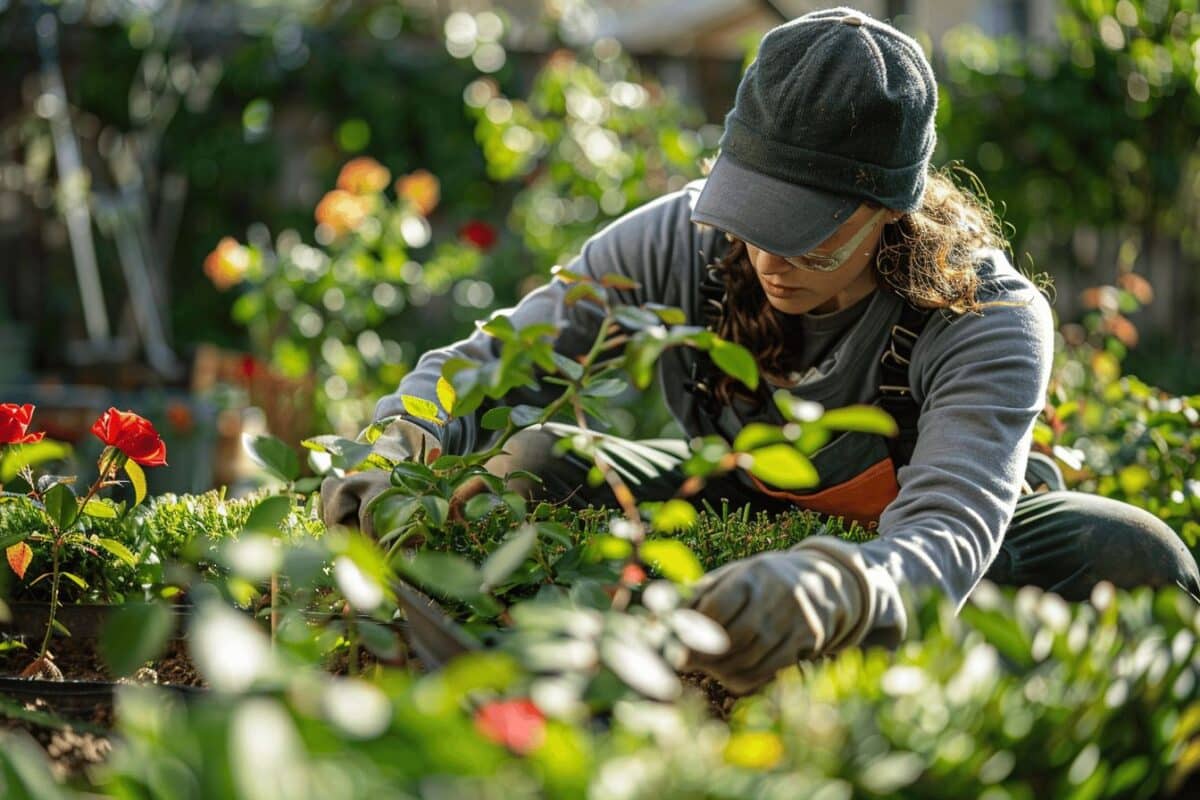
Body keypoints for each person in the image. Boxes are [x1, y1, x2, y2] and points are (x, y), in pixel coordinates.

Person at [323, 7, 1200, 694]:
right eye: (753, 218)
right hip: (736, 491)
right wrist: (401, 442)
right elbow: (504, 350)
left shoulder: (986, 316)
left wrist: (839, 591)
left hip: (917, 551)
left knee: (1133, 551)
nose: (769, 256)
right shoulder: (683, 236)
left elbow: (945, 534)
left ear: (891, 210)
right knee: (536, 458)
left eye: (808, 233)